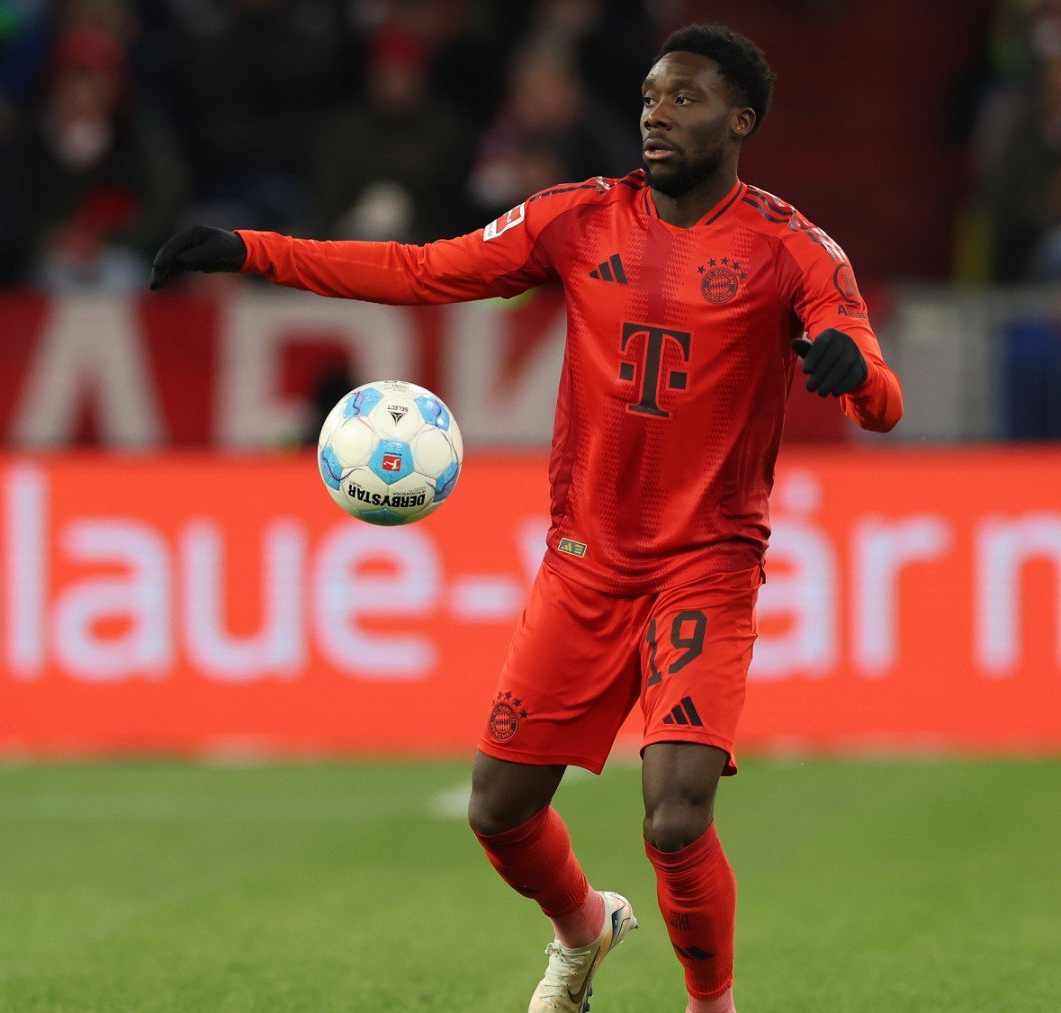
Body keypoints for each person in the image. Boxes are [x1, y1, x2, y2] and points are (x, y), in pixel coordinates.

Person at [148, 23, 902, 1012]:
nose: (656, 114)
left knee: (676, 817)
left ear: (741, 120)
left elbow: (878, 390)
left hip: (705, 568)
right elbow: (423, 271)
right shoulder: (579, 219)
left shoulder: (791, 249)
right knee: (499, 811)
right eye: (648, 97)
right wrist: (253, 250)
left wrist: (854, 379)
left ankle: (711, 1003)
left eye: (684, 99)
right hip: (585, 566)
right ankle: (586, 926)